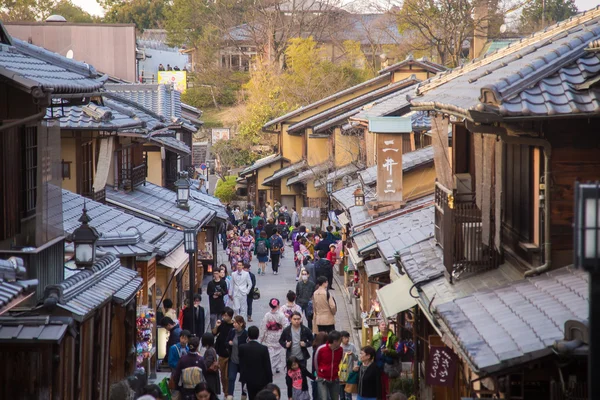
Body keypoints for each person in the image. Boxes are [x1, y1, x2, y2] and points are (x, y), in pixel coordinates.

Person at [239, 326, 273, 400]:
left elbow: (241, 363)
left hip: (249, 379)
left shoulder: (242, 347)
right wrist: (270, 380)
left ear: (248, 335)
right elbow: (267, 365)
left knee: (252, 397)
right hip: (262, 379)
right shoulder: (263, 348)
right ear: (258, 335)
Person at [259, 298, 289, 375]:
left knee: (271, 351)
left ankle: (273, 366)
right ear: (278, 305)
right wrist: (286, 336)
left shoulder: (267, 315)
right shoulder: (281, 315)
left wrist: (261, 338)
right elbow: (286, 325)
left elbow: (263, 327)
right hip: (279, 334)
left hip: (270, 334)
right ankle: (277, 366)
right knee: (278, 350)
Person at [372, 320, 398, 400]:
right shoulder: (375, 337)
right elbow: (372, 350)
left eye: (386, 325)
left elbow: (398, 351)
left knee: (388, 386)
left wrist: (389, 351)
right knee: (378, 386)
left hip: (389, 365)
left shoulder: (393, 338)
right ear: (379, 327)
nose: (384, 326)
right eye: (382, 325)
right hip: (378, 365)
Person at [314, 330, 344, 400]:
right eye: (340, 340)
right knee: (324, 398)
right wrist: (319, 373)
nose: (341, 342)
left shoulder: (340, 350)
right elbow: (316, 362)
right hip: (322, 378)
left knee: (335, 398)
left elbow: (339, 361)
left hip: (335, 378)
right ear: (335, 341)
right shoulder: (321, 349)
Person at [212, 307, 234, 395]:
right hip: (221, 353)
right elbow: (214, 333)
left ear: (230, 316)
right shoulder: (222, 324)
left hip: (230, 354)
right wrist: (216, 326)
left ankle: (228, 393)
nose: (224, 317)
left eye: (226, 315)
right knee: (222, 376)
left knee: (227, 376)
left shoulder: (234, 326)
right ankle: (225, 391)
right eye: (223, 315)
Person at [226, 316, 248, 400]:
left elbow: (247, 347)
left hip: (242, 361)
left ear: (241, 324)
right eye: (233, 322)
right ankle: (230, 395)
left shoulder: (245, 334)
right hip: (233, 359)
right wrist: (229, 343)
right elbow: (226, 342)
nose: (234, 324)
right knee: (231, 378)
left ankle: (243, 395)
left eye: (236, 323)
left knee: (243, 380)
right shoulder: (232, 332)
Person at [340, 331, 358, 400]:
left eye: (348, 338)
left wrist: (352, 354)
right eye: (345, 338)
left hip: (349, 372)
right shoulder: (339, 346)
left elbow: (356, 358)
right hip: (341, 373)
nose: (347, 339)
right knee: (341, 394)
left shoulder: (352, 346)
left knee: (349, 393)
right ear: (341, 338)